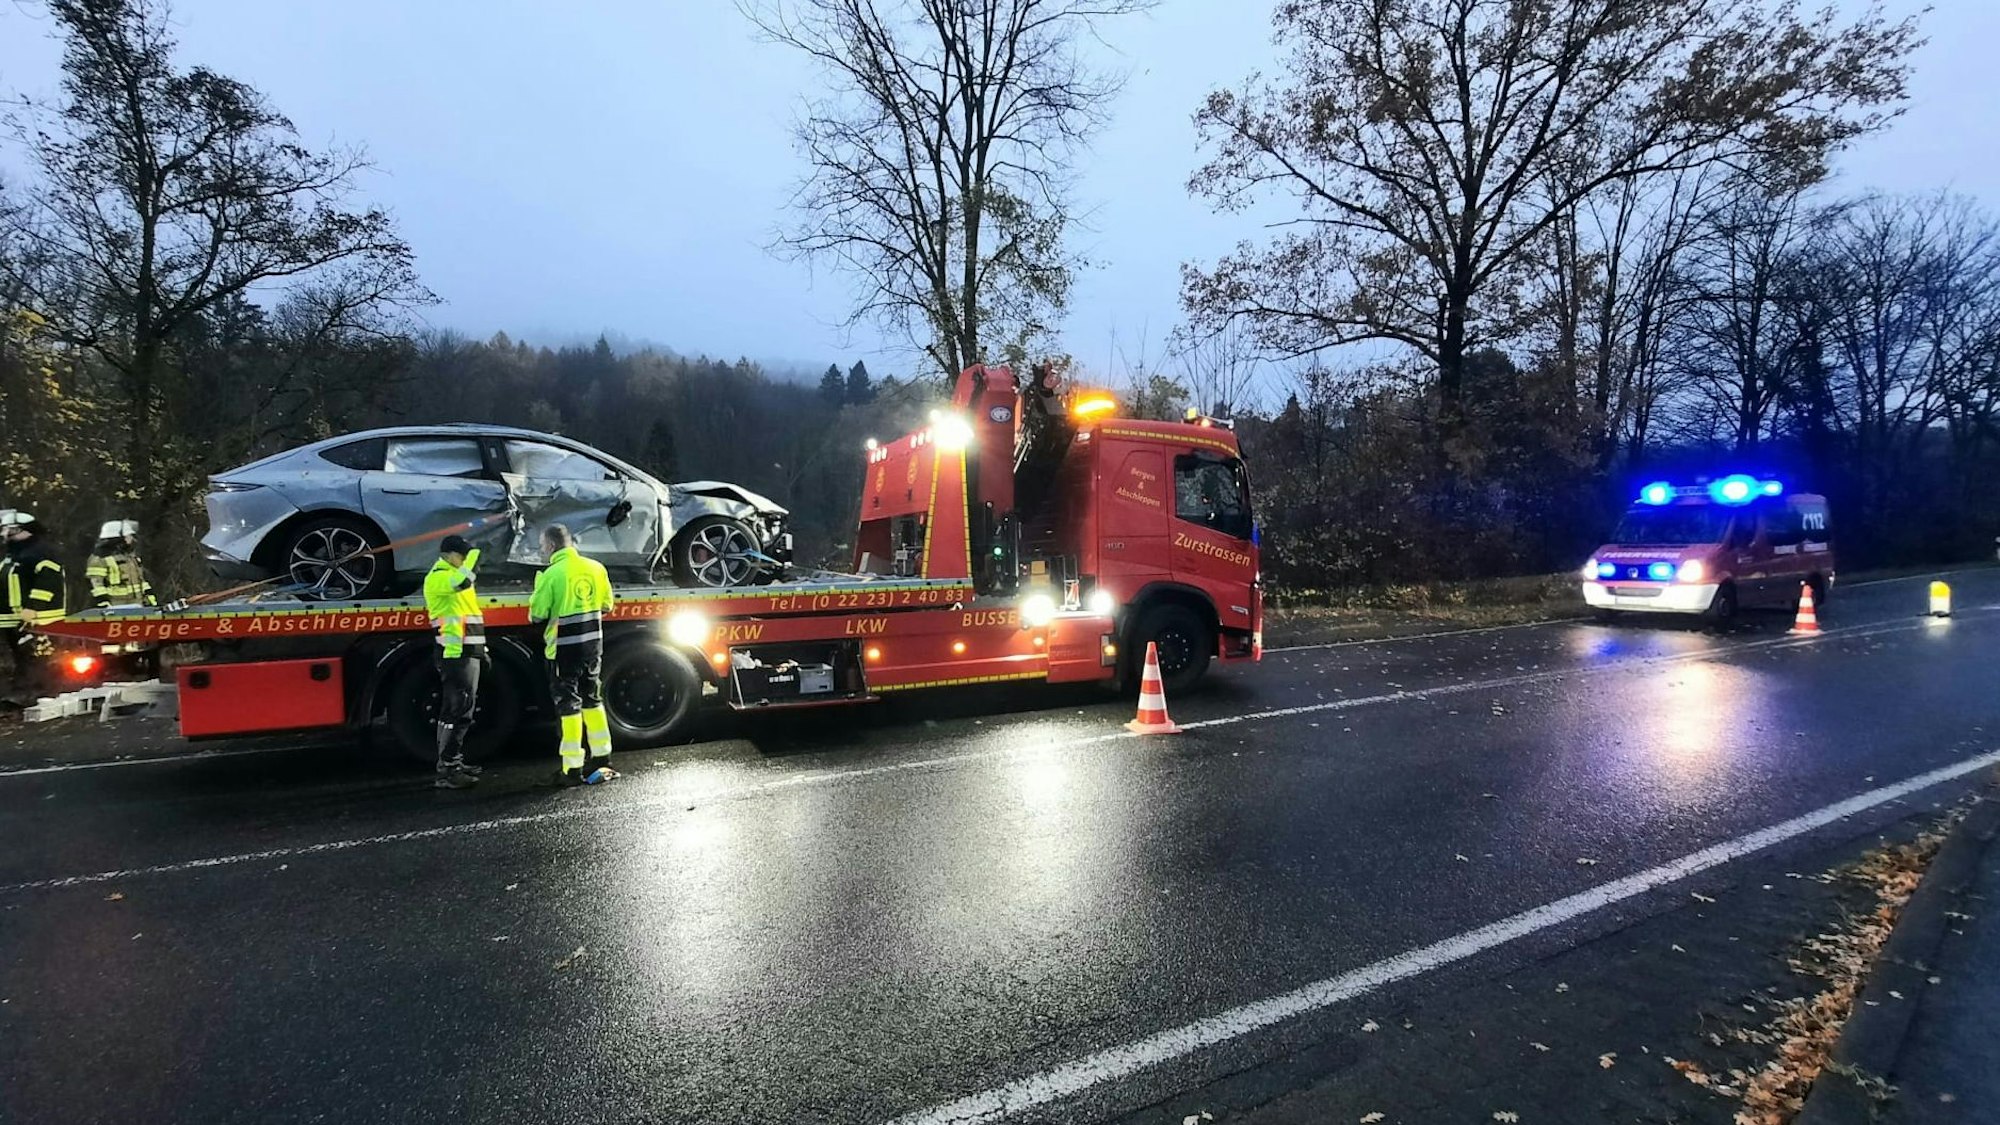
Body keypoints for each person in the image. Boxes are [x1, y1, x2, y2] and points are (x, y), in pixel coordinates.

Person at [528, 524, 616, 786]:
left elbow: (536, 615)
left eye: (543, 545)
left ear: (552, 545)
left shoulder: (551, 575)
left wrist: (538, 589)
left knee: (569, 706)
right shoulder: (596, 568)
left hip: (563, 650)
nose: (542, 550)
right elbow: (607, 606)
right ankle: (602, 756)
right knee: (592, 698)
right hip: (592, 646)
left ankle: (572, 768)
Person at [423, 534, 487, 789]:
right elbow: (462, 582)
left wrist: (482, 651)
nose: (464, 560)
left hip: (467, 653)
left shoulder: (451, 576)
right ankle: (448, 770)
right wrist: (474, 556)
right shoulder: (439, 577)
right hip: (454, 655)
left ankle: (453, 763)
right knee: (456, 712)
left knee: (462, 711)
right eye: (461, 555)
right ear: (449, 555)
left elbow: (468, 619)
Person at [2, 512, 67, 704]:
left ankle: (41, 694)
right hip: (14, 618)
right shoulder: (14, 553)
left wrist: (32, 608)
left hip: (41, 617)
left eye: (11, 530)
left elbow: (47, 584)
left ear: (26, 530)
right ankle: (22, 693)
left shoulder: (41, 552)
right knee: (22, 657)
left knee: (38, 657)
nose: (6, 534)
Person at [85, 520, 157, 608]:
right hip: (115, 608)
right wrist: (103, 602)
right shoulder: (99, 558)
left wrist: (149, 596)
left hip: (138, 606)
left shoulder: (130, 557)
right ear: (118, 538)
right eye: (128, 536)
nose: (132, 539)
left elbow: (140, 580)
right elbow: (95, 584)